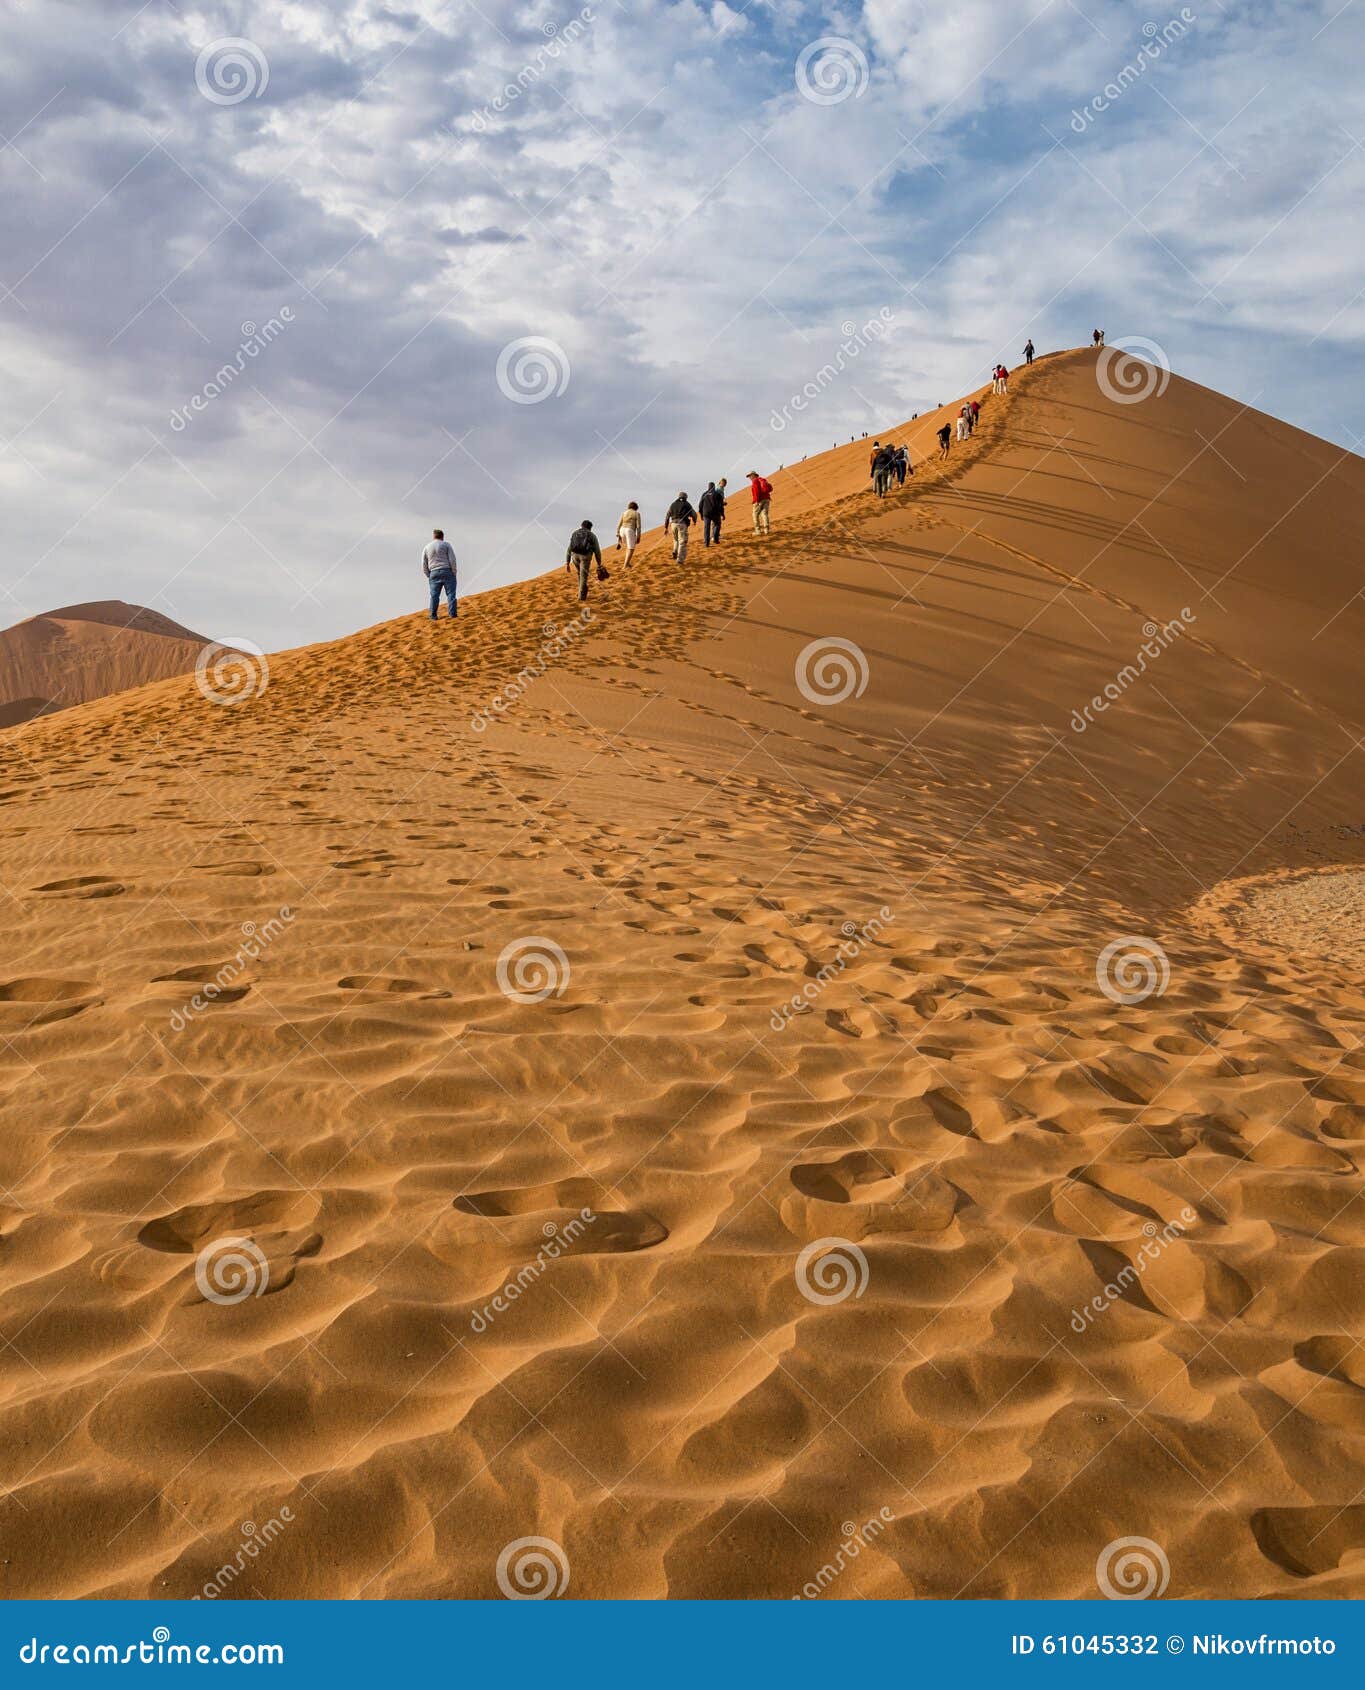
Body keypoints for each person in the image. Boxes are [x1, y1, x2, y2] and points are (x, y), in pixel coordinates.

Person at [565, 518, 609, 602]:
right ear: (590, 528)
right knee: (583, 576)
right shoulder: (592, 535)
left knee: (580, 574)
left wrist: (567, 562)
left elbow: (569, 548)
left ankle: (581, 591)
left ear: (581, 526)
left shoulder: (575, 533)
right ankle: (581, 598)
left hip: (574, 556)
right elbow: (597, 551)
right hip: (585, 557)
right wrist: (599, 564)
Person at [422, 528, 458, 620]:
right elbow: (452, 559)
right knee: (451, 594)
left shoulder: (427, 547)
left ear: (433, 536)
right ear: (442, 536)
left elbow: (424, 563)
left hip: (433, 572)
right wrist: (454, 572)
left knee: (434, 596)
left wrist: (428, 575)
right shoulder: (446, 544)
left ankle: (433, 616)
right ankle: (452, 615)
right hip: (447, 571)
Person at [665, 491, 697, 562]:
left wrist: (666, 528)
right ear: (685, 497)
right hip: (682, 524)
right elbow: (694, 514)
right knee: (682, 541)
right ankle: (680, 559)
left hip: (673, 524)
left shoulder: (673, 504)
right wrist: (694, 521)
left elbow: (667, 516)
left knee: (676, 539)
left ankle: (675, 551)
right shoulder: (687, 504)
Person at [698, 481, 725, 547]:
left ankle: (706, 543)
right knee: (717, 524)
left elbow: (700, 505)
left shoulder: (704, 494)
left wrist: (701, 514)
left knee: (706, 527)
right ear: (714, 487)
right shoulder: (717, 494)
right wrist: (723, 514)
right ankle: (715, 538)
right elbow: (721, 505)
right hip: (715, 513)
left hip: (706, 513)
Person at [747, 469, 773, 534]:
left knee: (755, 514)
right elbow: (769, 488)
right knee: (764, 514)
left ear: (754, 475)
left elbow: (756, 491)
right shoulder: (762, 479)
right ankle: (766, 530)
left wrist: (757, 501)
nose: (749, 477)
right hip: (767, 499)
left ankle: (757, 530)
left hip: (759, 500)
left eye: (750, 476)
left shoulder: (755, 481)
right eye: (749, 476)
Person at [616, 501, 642, 565]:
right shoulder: (637, 513)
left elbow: (619, 524)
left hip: (622, 530)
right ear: (636, 507)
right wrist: (638, 536)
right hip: (630, 530)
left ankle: (627, 563)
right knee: (631, 548)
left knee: (628, 547)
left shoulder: (624, 513)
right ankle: (625, 565)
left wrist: (617, 533)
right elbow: (638, 526)